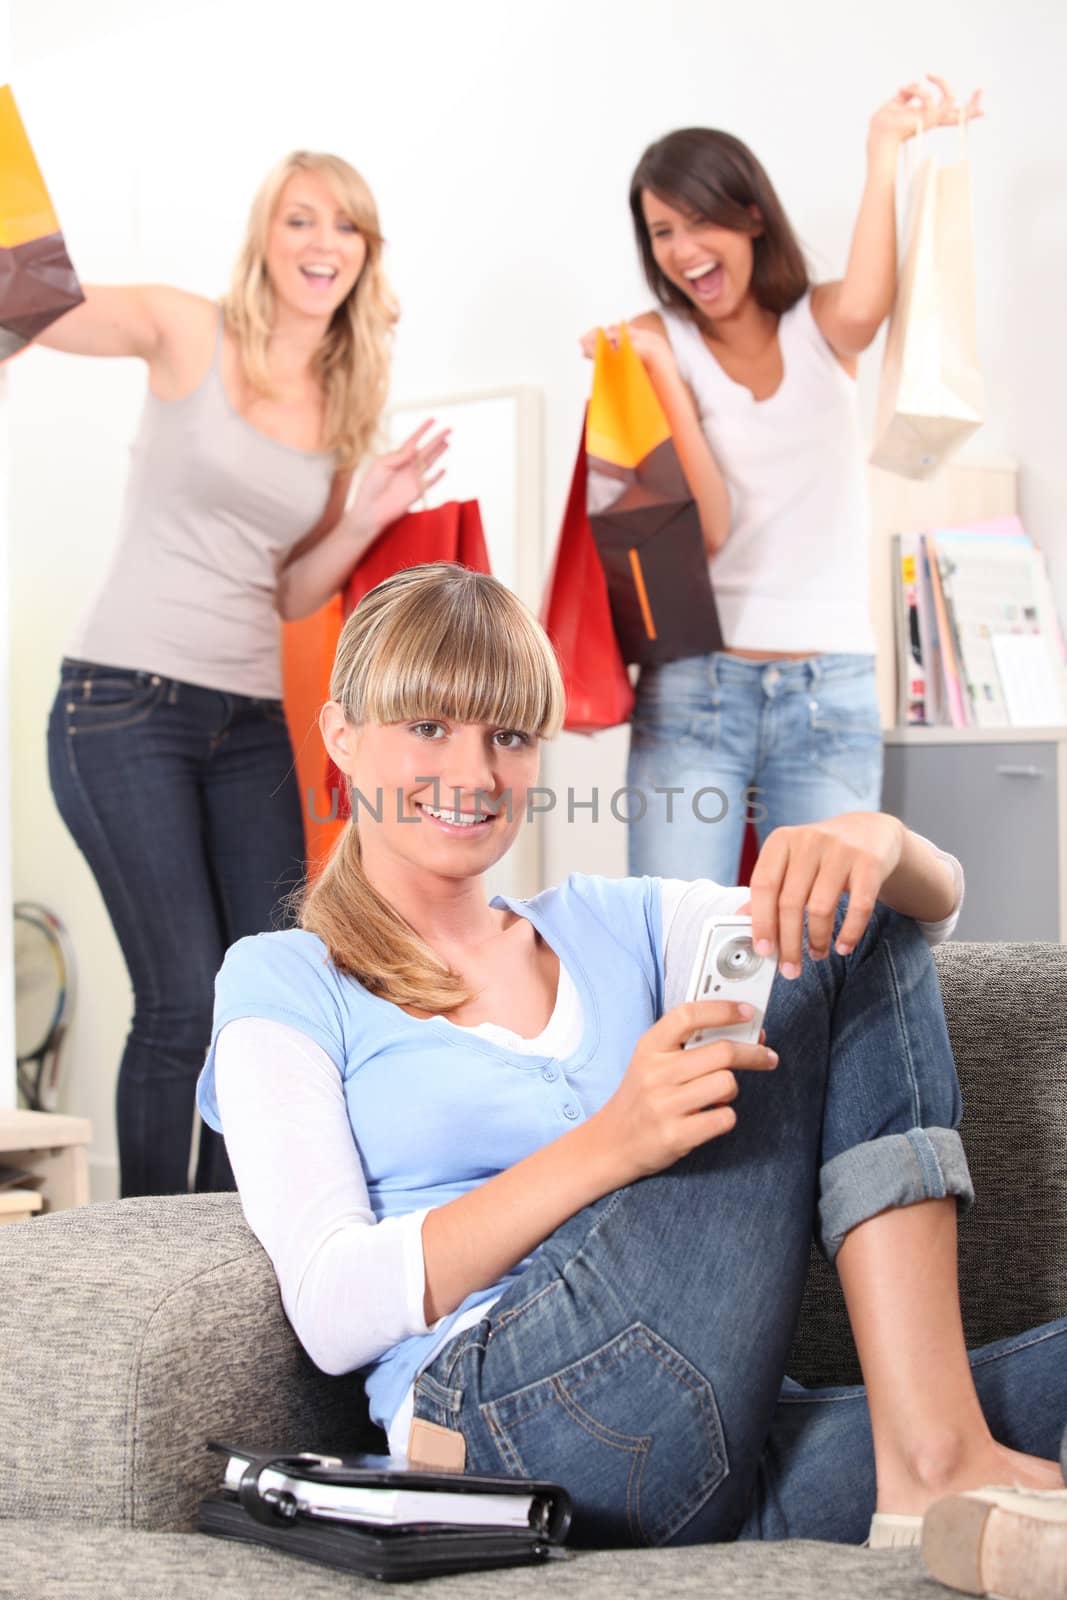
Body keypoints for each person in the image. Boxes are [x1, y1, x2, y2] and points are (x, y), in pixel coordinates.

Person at [196, 562, 1066, 1555]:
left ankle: (930, 1455)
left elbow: (909, 914)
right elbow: (332, 1306)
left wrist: (877, 839)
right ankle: (936, 1457)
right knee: (831, 935)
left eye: (508, 735)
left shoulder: (612, 922)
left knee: (844, 910)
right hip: (507, 1425)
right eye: (428, 728)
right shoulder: (282, 978)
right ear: (341, 735)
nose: (474, 775)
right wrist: (613, 1143)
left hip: (708, 1438)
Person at [42, 151, 448, 1197]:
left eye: (346, 228)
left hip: (249, 722)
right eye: (301, 221)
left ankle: (239, 1246)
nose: (323, 245)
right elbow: (40, 303)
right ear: (266, 236)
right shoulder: (191, 330)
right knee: (179, 997)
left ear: (366, 255)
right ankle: (138, 1264)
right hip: (122, 703)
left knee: (260, 992)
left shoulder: (343, 397)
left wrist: (369, 508)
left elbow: (288, 586)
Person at [582, 76, 982, 886]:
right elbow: (709, 529)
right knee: (678, 937)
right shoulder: (654, 341)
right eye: (662, 232)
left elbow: (872, 302)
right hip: (696, 686)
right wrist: (660, 371)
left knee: (826, 950)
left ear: (750, 216)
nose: (684, 249)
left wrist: (885, 146)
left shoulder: (820, 329)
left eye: (700, 220)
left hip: (827, 687)